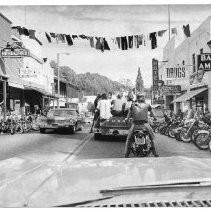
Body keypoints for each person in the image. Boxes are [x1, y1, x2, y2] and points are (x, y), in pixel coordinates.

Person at [124, 92, 159, 158]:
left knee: (129, 139)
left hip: (135, 125)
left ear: (137, 98)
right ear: (144, 98)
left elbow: (129, 114)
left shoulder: (133, 105)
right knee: (153, 138)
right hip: (145, 124)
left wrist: (127, 119)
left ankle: (126, 154)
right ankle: (155, 153)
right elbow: (152, 114)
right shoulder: (147, 105)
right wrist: (155, 118)